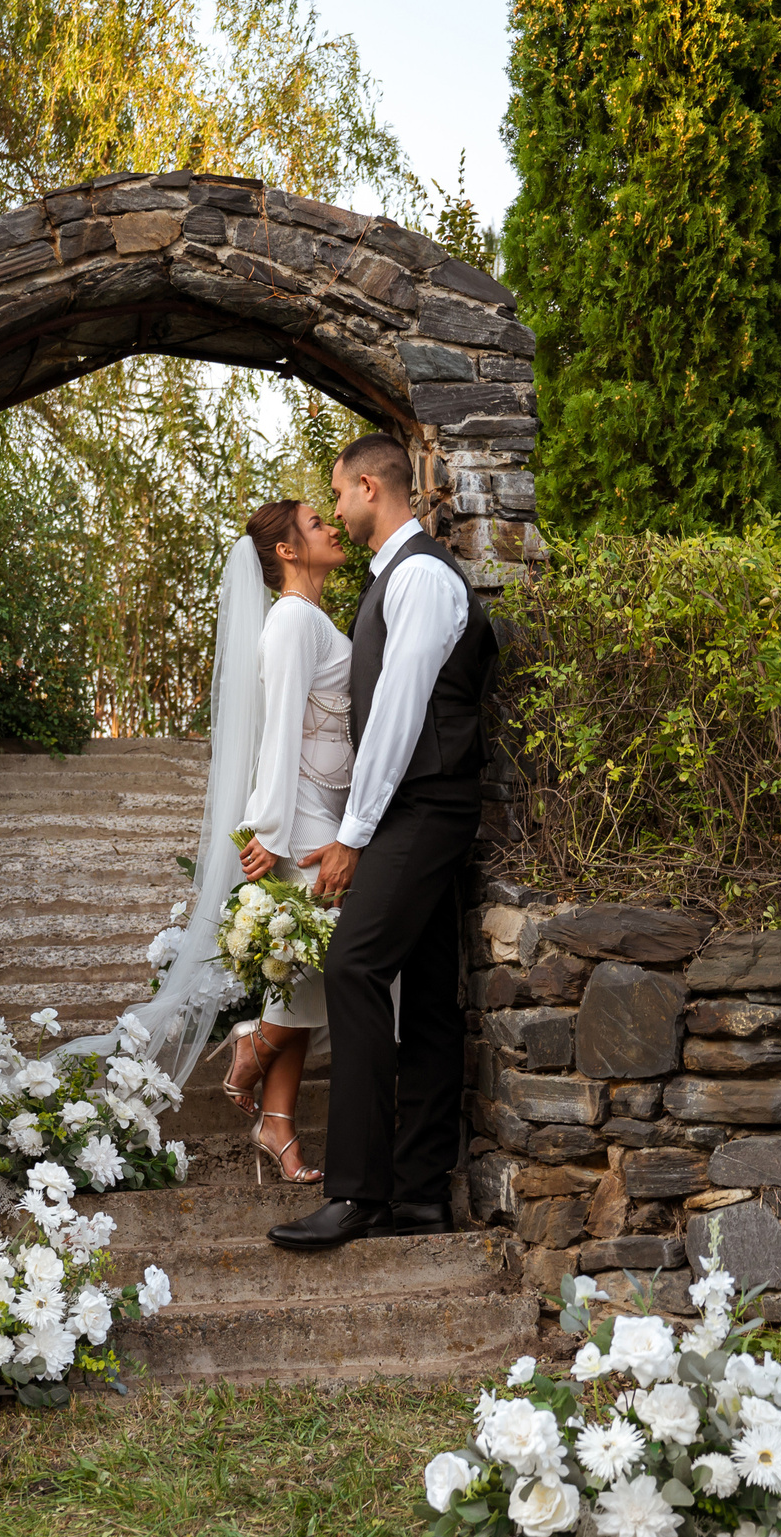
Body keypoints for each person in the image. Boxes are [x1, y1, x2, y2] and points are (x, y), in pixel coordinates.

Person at [264, 433, 500, 1252]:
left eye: (338, 493)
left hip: (424, 804)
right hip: (417, 803)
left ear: (371, 486)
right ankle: (419, 1195)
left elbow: (400, 711)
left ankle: (358, 1192)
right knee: (428, 992)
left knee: (353, 968)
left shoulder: (422, 576)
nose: (335, 509)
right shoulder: (393, 577)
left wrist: (353, 834)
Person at [213, 497, 354, 1184]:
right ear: (288, 551)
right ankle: (253, 1046)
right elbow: (279, 731)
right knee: (327, 963)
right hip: (300, 822)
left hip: (320, 808)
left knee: (298, 972)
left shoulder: (309, 618)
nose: (333, 526)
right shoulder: (294, 620)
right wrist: (267, 830)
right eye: (316, 523)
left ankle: (277, 1125)